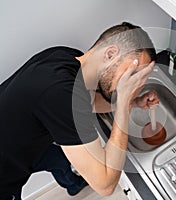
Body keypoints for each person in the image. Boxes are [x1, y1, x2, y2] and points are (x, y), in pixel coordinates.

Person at [0, 22, 159, 199]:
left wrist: (134, 101)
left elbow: (91, 101)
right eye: (132, 74)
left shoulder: (68, 57)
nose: (133, 84)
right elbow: (105, 185)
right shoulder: (61, 94)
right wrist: (123, 104)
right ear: (110, 54)